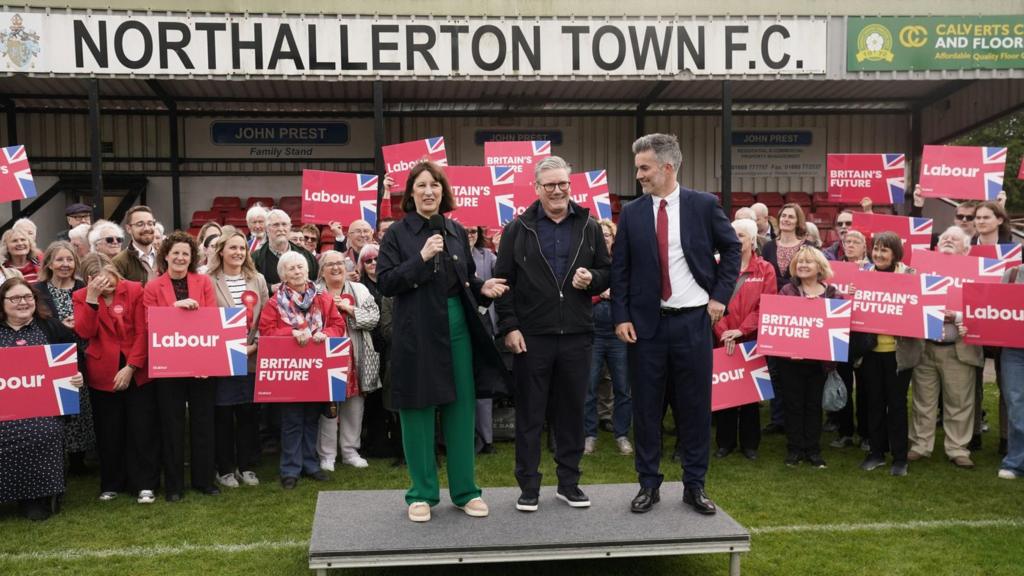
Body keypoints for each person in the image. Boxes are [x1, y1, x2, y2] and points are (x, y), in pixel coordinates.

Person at [611, 133, 741, 515]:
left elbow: (732, 248)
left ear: (668, 167)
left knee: (695, 408)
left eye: (644, 168)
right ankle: (648, 485)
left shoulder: (702, 205)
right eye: (638, 168)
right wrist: (620, 316)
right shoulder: (633, 212)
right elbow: (621, 270)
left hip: (693, 325)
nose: (639, 175)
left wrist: (720, 296)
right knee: (647, 409)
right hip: (646, 328)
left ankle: (694, 485)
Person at [378, 161, 509, 522]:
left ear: (443, 192)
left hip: (456, 326)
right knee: (417, 410)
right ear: (410, 193)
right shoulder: (397, 235)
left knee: (461, 408)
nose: (428, 192)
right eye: (421, 186)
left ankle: (466, 491)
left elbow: (464, 279)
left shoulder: (453, 230)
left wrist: (484, 287)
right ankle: (421, 494)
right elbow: (386, 282)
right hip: (416, 330)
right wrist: (420, 258)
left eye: (434, 185)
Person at [494, 155, 610, 513]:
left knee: (572, 412)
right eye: (550, 185)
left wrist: (594, 278)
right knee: (530, 414)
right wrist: (510, 326)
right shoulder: (518, 229)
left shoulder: (589, 226)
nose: (558, 190)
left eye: (563, 184)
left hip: (577, 334)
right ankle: (528, 486)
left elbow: (608, 272)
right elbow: (503, 284)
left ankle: (569, 483)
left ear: (570, 185)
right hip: (532, 337)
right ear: (537, 188)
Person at [73, 253, 159, 504]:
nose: (108, 285)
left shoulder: (134, 290)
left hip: (137, 367)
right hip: (103, 373)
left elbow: (144, 330)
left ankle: (145, 483)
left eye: (110, 279)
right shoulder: (81, 297)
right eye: (100, 281)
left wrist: (132, 366)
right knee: (109, 430)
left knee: (142, 429)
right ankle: (111, 483)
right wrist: (91, 299)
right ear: (90, 280)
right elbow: (85, 331)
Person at [258, 251, 346, 489]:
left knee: (311, 418)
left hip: (317, 369)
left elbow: (338, 325)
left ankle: (310, 464)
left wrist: (324, 334)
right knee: (292, 420)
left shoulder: (323, 298)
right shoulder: (275, 302)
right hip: (290, 372)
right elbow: (265, 332)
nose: (297, 271)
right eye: (291, 269)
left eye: (301, 267)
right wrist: (291, 333)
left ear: (308, 270)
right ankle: (290, 469)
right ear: (283, 275)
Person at [143, 230, 219, 501]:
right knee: (171, 425)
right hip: (169, 367)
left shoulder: (204, 282)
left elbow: (210, 319)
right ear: (166, 255)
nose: (180, 257)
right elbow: (150, 325)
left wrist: (203, 361)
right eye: (175, 252)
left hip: (201, 365)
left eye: (185, 253)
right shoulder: (153, 287)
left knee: (203, 423)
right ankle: (174, 485)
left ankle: (204, 480)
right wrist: (175, 308)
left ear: (192, 257)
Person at [0, 278, 85, 520]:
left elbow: (73, 360)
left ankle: (36, 497)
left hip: (42, 409)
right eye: (15, 298)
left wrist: (76, 376)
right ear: (3, 303)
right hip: (3, 410)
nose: (22, 303)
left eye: (28, 298)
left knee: (43, 430)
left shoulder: (51, 327)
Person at [905, 226, 983, 469]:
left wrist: (957, 316)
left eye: (954, 239)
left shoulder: (979, 274)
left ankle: (957, 448)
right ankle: (920, 445)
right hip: (925, 346)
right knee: (922, 400)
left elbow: (984, 310)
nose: (948, 240)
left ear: (966, 249)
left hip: (958, 348)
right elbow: (909, 299)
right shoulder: (921, 269)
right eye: (944, 238)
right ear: (937, 246)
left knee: (959, 401)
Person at [206, 226, 269, 489]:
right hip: (220, 360)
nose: (238, 252)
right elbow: (205, 321)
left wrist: (253, 346)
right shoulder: (207, 280)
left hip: (250, 358)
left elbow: (266, 319)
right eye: (232, 247)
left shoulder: (258, 279)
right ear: (220, 251)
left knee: (248, 415)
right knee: (222, 416)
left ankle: (246, 466)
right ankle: (225, 469)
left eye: (242, 248)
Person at [713, 218, 777, 461]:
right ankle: (725, 443)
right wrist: (723, 332)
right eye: (733, 234)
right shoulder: (717, 266)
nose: (736, 239)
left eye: (741, 235)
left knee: (750, 395)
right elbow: (711, 302)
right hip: (723, 338)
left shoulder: (766, 269)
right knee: (726, 392)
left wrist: (741, 331)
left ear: (752, 240)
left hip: (751, 339)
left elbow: (766, 305)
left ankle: (750, 444)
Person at [775, 246, 840, 468]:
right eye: (799, 262)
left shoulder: (832, 293)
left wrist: (820, 308)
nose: (803, 265)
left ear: (819, 267)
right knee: (793, 405)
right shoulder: (786, 291)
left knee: (813, 406)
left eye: (808, 262)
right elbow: (778, 323)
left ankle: (813, 450)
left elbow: (839, 324)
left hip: (819, 363)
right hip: (791, 362)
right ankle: (794, 450)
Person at [315, 250, 380, 470]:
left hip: (356, 355)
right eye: (329, 264)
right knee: (328, 406)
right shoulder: (314, 292)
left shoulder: (359, 289)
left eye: (340, 263)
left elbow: (374, 319)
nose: (335, 268)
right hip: (325, 356)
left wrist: (349, 309)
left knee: (354, 404)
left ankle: (351, 451)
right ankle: (327, 455)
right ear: (321, 271)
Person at [860, 231, 917, 476]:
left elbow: (917, 311)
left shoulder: (911, 276)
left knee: (896, 404)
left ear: (895, 253)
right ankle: (876, 452)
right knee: (874, 402)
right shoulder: (863, 275)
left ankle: (900, 457)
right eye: (876, 249)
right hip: (871, 351)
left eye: (884, 250)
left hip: (899, 352)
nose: (879, 254)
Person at [34, 242, 94, 475]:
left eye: (69, 260)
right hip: (52, 354)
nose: (65, 264)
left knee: (80, 405)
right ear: (49, 263)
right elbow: (35, 320)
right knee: (56, 407)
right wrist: (61, 326)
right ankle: (56, 458)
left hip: (82, 353)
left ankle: (79, 460)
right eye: (59, 260)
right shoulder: (37, 290)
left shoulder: (83, 287)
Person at [583, 219, 632, 456]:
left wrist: (616, 294)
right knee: (589, 386)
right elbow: (579, 293)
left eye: (608, 234)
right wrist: (598, 292)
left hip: (618, 334)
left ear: (614, 238)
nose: (604, 237)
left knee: (622, 387)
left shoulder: (622, 262)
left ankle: (621, 434)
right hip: (592, 332)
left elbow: (631, 292)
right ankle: (589, 435)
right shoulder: (588, 262)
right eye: (600, 234)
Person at [760, 203, 808, 434]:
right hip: (772, 310)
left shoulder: (807, 247)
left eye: (791, 216)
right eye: (784, 216)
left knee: (797, 368)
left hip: (799, 311)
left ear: (798, 221)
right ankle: (778, 418)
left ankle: (796, 418)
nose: (787, 219)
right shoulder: (768, 247)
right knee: (775, 367)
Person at [466, 225, 501, 455]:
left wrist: (501, 247)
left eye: (474, 231)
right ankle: (465, 438)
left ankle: (486, 439)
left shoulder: (488, 256)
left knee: (484, 385)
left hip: (484, 324)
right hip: (460, 325)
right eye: (466, 231)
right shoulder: (447, 256)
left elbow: (503, 274)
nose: (470, 235)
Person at [998, 263, 1024, 480]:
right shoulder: (1012, 274)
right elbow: (996, 310)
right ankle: (1015, 461)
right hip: (1014, 351)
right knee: (1015, 404)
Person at [253, 209, 318, 291]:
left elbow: (316, 282)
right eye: (276, 225)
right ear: (267, 229)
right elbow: (252, 284)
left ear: (290, 227)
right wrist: (270, 288)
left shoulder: (307, 256)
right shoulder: (255, 258)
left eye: (284, 224)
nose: (281, 228)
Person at [114, 205, 160, 285]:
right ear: (128, 229)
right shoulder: (119, 262)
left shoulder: (165, 257)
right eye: (140, 224)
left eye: (150, 223)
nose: (147, 228)